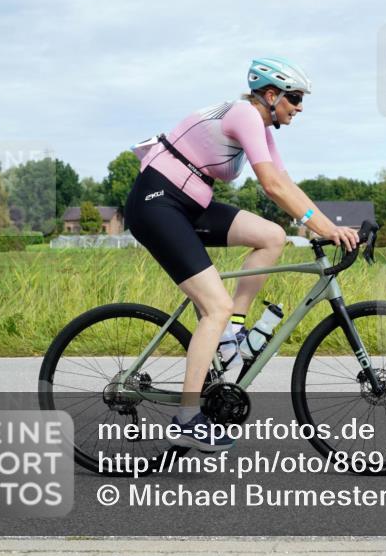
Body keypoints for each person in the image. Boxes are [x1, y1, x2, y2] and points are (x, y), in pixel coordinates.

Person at [123, 57, 359, 451]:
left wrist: (329, 225)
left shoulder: (263, 128)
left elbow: (285, 182)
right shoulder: (246, 115)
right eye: (295, 98)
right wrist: (326, 229)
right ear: (271, 94)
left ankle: (231, 333)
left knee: (271, 236)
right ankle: (186, 418)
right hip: (157, 204)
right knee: (212, 306)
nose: (299, 107)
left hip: (188, 204)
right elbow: (270, 186)